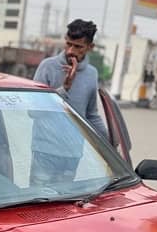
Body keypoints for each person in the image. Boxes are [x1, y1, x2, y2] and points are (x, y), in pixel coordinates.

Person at [30, 18, 109, 186]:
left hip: (72, 156)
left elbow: (91, 115)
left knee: (65, 209)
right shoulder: (48, 67)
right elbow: (33, 111)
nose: (70, 51)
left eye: (78, 47)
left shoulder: (91, 74)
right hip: (45, 152)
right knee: (40, 206)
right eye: (68, 44)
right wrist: (64, 89)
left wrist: (111, 143)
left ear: (90, 48)